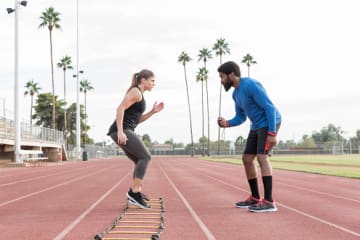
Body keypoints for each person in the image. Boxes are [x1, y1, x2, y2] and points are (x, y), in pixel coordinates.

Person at [217, 61, 281, 213]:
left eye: (222, 76)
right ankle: (255, 197)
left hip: (269, 122)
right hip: (256, 125)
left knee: (262, 157)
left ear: (232, 74)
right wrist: (227, 123)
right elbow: (241, 117)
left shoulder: (251, 85)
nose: (221, 81)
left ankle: (269, 202)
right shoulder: (236, 93)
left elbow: (269, 107)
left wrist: (272, 133)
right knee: (247, 158)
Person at [107, 69, 164, 209]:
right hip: (121, 130)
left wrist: (152, 112)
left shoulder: (139, 95)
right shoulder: (136, 92)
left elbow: (136, 120)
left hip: (126, 129)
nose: (154, 84)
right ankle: (134, 192)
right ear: (143, 80)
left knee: (140, 160)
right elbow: (120, 109)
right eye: (152, 81)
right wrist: (120, 131)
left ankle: (135, 193)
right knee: (146, 157)